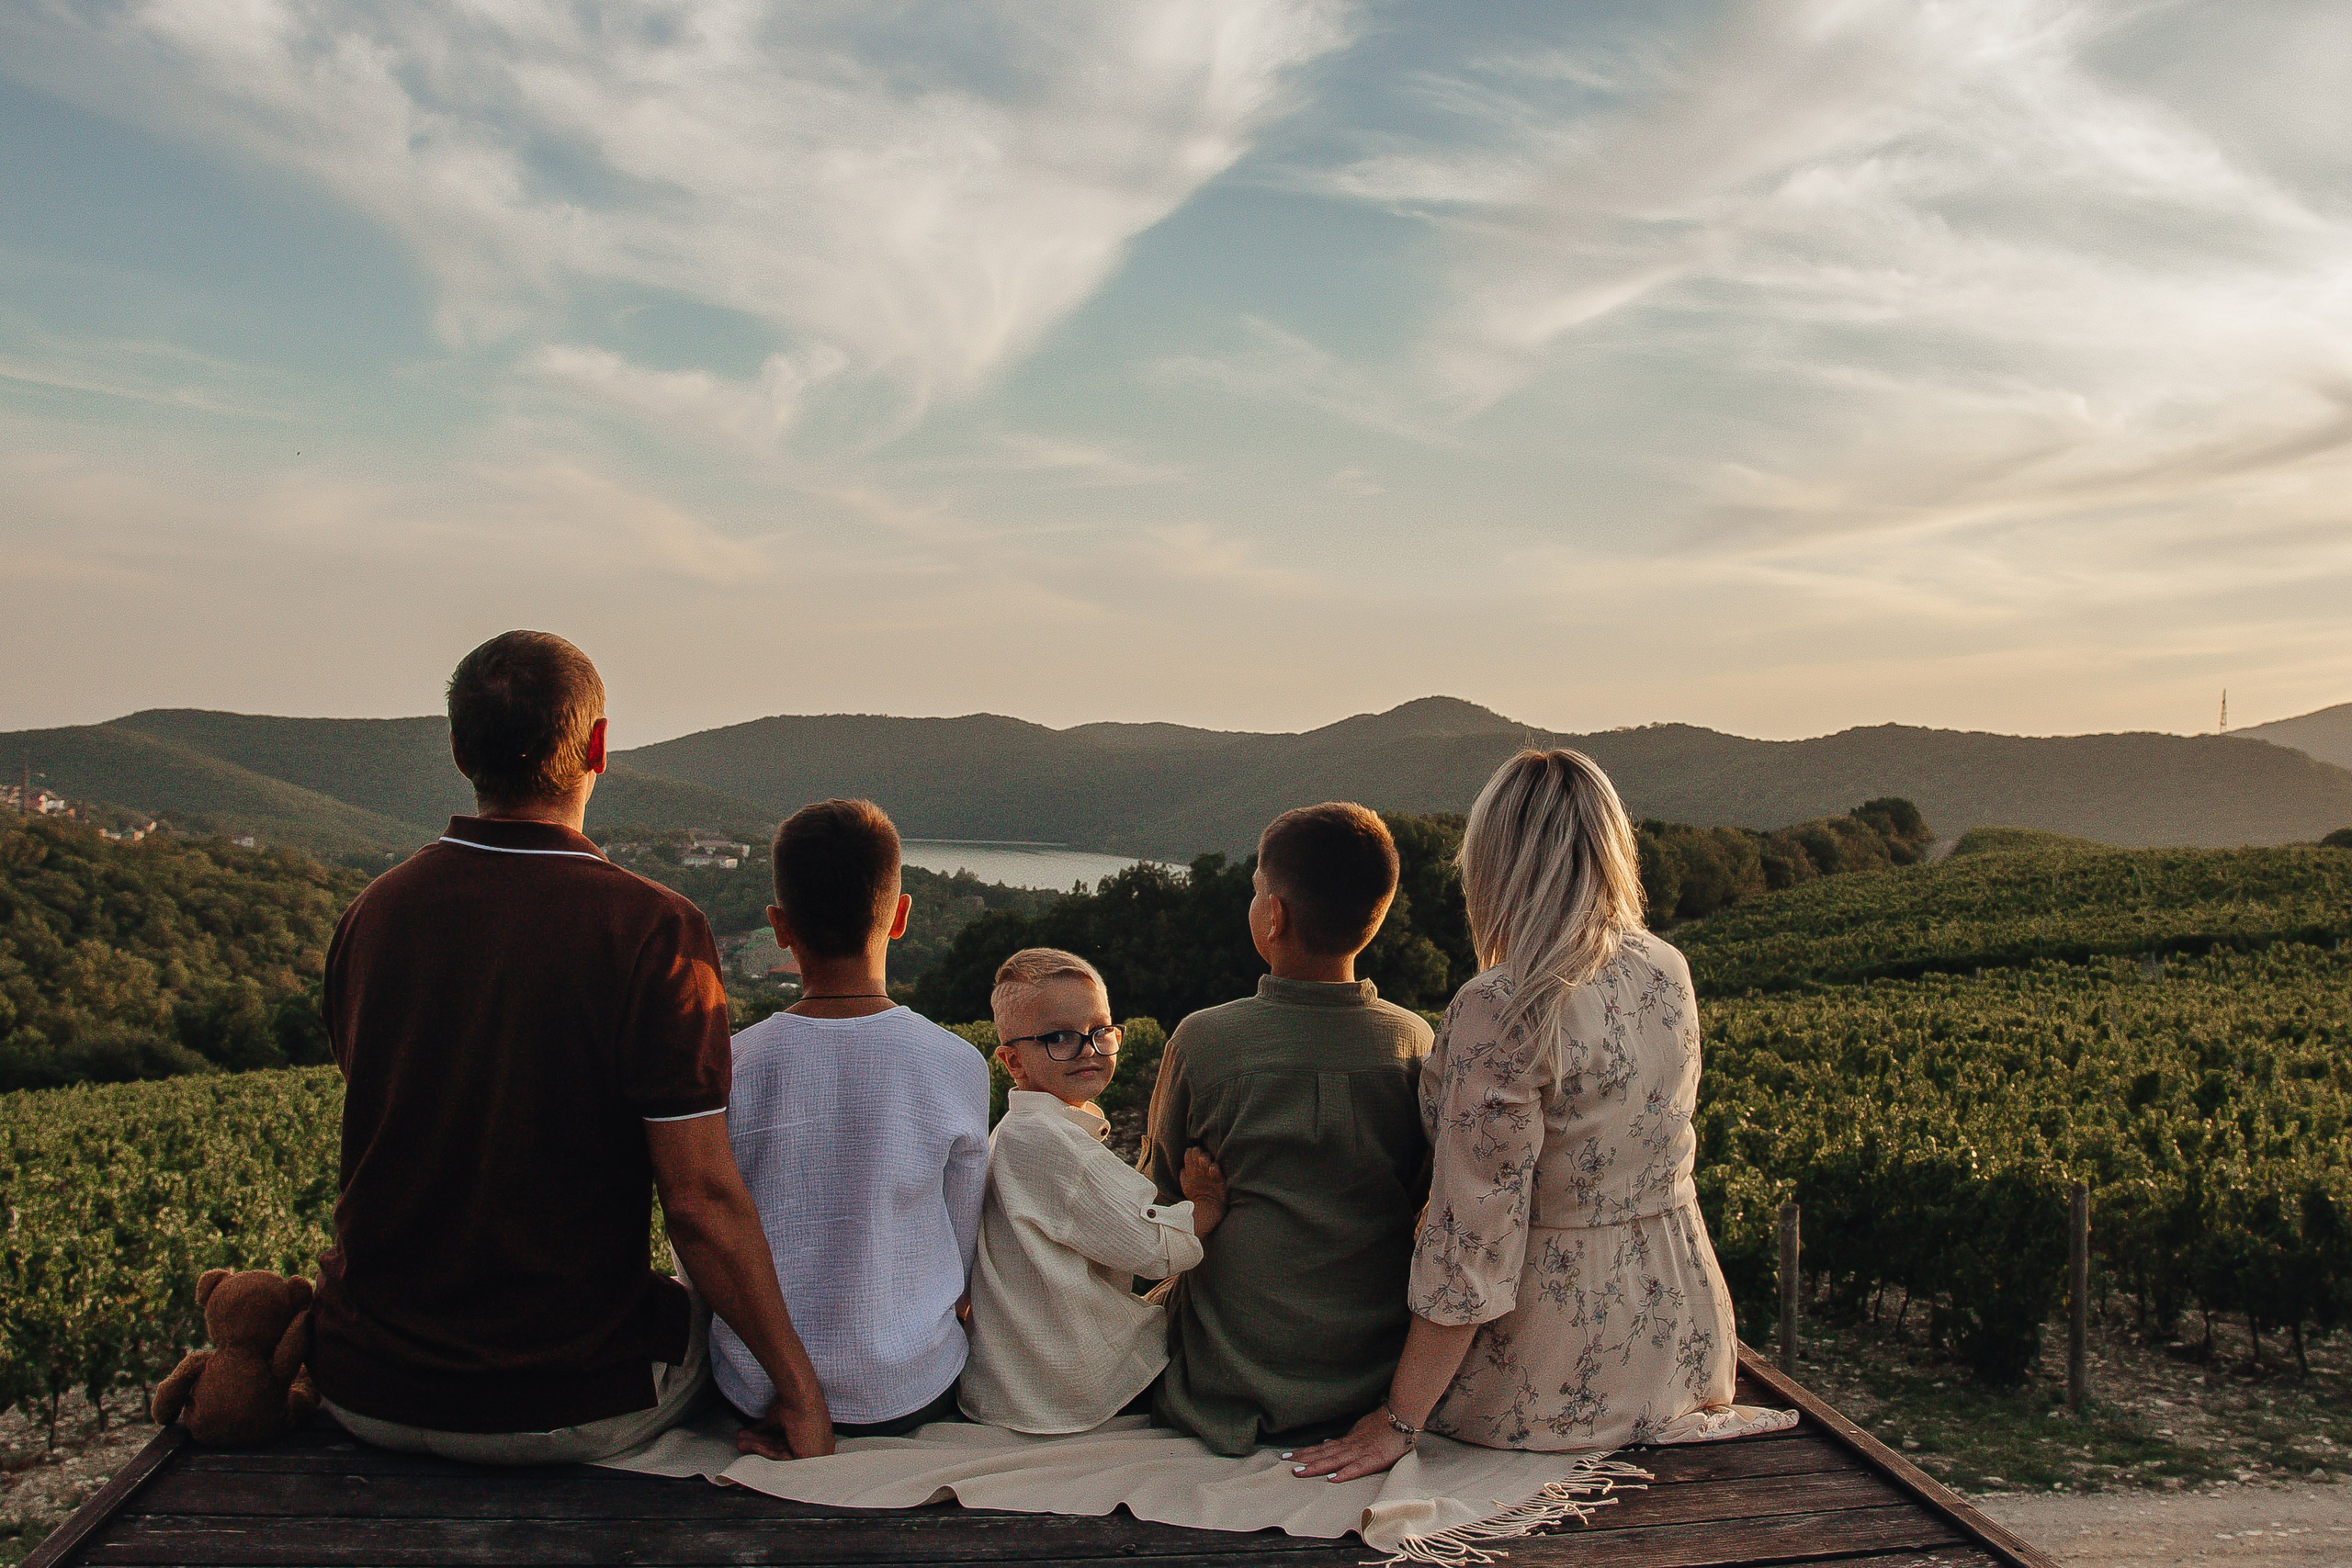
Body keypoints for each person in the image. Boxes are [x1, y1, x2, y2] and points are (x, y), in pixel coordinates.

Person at [311, 631, 831, 1464]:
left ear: (456, 750)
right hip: (567, 1400)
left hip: (362, 1385)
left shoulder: (371, 915)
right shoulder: (655, 930)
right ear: (597, 746)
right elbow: (698, 1202)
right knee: (720, 1332)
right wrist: (801, 1393)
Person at [1289, 749, 1753, 1483]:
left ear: (1495, 863)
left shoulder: (1503, 1006)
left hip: (1552, 1372)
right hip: (1683, 1342)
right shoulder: (1668, 965)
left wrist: (1398, 1419)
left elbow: (1473, 1239)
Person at [1139, 803, 1432, 1457]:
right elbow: (1422, 1196)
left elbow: (1156, 1197)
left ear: (1274, 916)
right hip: (1370, 1380)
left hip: (1225, 1384)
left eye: (1254, 893)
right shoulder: (1414, 1043)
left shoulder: (1203, 1041)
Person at [711, 798, 991, 1438]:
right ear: (901, 916)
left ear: (779, 926)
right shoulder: (956, 1063)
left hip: (756, 1388)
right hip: (908, 1386)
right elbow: (963, 1240)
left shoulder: (733, 1063)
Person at [959, 949, 1227, 1434]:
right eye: (1060, 1037)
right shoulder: (1051, 1144)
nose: (1089, 1049)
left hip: (1016, 1379)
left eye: (1101, 1031)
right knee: (1214, 1316)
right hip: (1070, 1384)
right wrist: (1206, 1205)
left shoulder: (1017, 1130)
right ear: (1013, 1061)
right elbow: (1155, 1251)